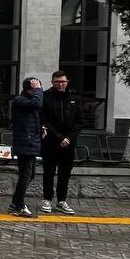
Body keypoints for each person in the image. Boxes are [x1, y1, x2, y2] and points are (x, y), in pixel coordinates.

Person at [40, 70, 81, 215]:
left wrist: (68, 138)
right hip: (51, 142)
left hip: (69, 144)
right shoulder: (45, 97)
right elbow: (44, 120)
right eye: (57, 81)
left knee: (65, 173)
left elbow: (79, 122)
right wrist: (59, 137)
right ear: (52, 82)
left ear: (67, 82)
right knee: (49, 172)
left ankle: (61, 201)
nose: (60, 84)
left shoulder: (74, 98)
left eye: (63, 81)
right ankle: (47, 199)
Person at [8, 77, 43, 218]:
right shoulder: (20, 100)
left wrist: (41, 128)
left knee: (30, 174)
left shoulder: (29, 101)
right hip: (25, 142)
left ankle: (15, 203)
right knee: (25, 174)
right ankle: (19, 205)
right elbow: (37, 104)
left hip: (31, 141)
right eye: (35, 88)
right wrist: (39, 90)